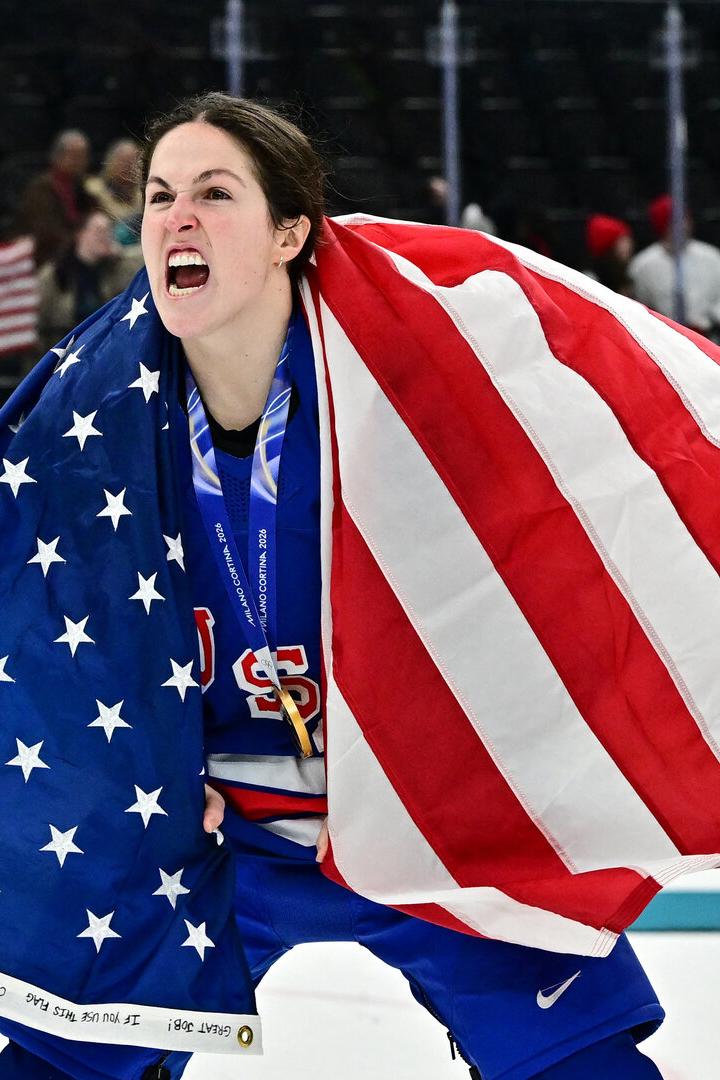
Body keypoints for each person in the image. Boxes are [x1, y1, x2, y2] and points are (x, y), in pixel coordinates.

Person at [9, 91, 720, 1079]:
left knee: (582, 1061)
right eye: (160, 194)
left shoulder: (420, 379)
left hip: (426, 814)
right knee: (55, 1058)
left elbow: (574, 549)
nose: (177, 216)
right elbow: (40, 643)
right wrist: (135, 776)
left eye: (215, 193)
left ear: (290, 232)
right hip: (210, 836)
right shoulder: (85, 420)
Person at [35, 209, 144, 358]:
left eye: (108, 230)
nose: (106, 236)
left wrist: (119, 256)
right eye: (99, 231)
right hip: (65, 350)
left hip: (106, 347)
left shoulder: (116, 266)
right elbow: (40, 324)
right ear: (81, 234)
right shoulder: (54, 275)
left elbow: (144, 256)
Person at [629, 193, 720, 336]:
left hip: (709, 336)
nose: (683, 225)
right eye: (675, 221)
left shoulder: (711, 257)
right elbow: (640, 307)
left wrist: (710, 321)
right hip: (663, 337)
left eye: (685, 219)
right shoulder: (642, 265)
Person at [13, 130, 97, 269]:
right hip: (48, 258)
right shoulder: (41, 188)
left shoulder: (82, 188)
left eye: (84, 156)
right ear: (58, 156)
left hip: (81, 251)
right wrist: (78, 240)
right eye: (75, 156)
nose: (81, 161)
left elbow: (93, 216)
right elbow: (45, 230)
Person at [85, 139, 143, 244]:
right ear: (110, 161)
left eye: (132, 162)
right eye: (123, 161)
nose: (128, 166)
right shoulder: (94, 189)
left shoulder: (144, 193)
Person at [584, 213, 635, 296]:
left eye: (627, 239)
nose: (629, 245)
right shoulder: (590, 281)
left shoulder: (630, 274)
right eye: (621, 241)